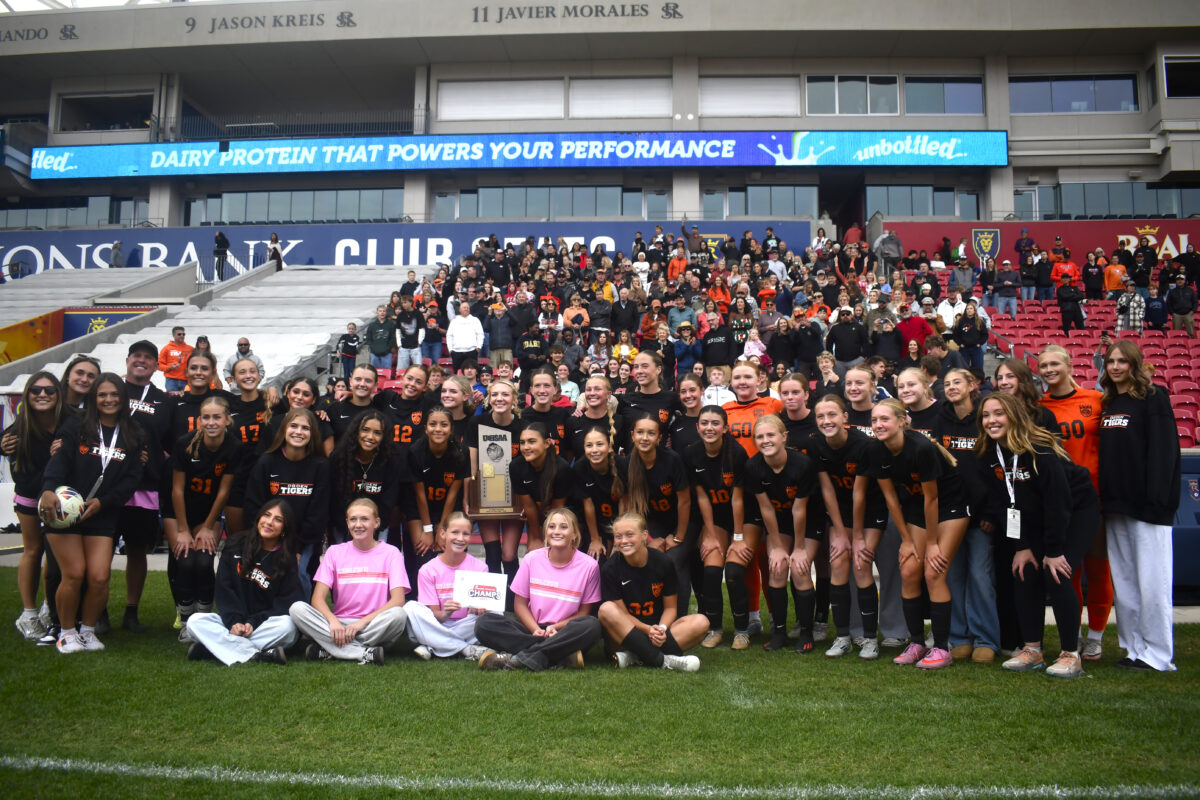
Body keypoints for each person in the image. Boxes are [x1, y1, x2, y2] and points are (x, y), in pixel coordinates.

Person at [976, 392, 1100, 679]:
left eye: (999, 413)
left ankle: (1071, 655)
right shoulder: (989, 454)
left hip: (1075, 510)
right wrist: (1021, 546)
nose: (991, 420)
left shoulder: (1040, 449)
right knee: (1024, 570)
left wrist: (1054, 551)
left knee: (1057, 573)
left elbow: (1058, 503)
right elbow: (1004, 504)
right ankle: (1032, 650)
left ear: (1014, 415)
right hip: (1033, 517)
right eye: (986, 415)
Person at [39, 374, 146, 653]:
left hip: (102, 512)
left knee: (99, 577)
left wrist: (103, 502)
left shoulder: (133, 433)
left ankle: (87, 631)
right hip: (65, 511)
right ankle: (66, 632)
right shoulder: (76, 426)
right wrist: (49, 489)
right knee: (74, 573)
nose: (109, 400)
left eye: (115, 395)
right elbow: (59, 461)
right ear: (93, 398)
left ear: (123, 398)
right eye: (102, 395)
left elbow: (131, 479)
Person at [1098, 340, 1181, 672]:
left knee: (1152, 582)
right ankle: (1133, 648)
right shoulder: (1110, 402)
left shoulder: (1153, 398)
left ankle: (1158, 653)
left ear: (1134, 364)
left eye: (1122, 361)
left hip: (1147, 507)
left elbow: (1164, 452)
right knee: (1126, 583)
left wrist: (1157, 499)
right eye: (1111, 361)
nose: (1116, 367)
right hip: (1116, 506)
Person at [869, 399, 968, 669]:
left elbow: (932, 498)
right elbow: (891, 498)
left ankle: (942, 648)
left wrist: (932, 543)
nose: (878, 425)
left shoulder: (921, 448)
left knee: (934, 573)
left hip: (949, 505)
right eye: (875, 420)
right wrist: (906, 540)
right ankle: (916, 643)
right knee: (909, 570)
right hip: (916, 508)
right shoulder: (876, 450)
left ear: (902, 421)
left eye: (885, 419)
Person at [1037, 344, 1109, 661]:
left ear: (1069, 365)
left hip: (1092, 497)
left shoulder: (1095, 400)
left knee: (1098, 568)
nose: (1049, 370)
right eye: (1043, 366)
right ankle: (1074, 632)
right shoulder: (1039, 407)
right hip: (1057, 500)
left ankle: (1096, 636)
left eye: (1055, 364)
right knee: (1069, 570)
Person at [809, 395, 887, 660]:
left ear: (845, 417)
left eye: (832, 415)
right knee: (839, 562)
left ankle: (870, 639)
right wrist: (841, 532)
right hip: (840, 512)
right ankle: (842, 637)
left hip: (870, 510)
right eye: (821, 416)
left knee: (861, 564)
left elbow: (860, 493)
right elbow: (827, 489)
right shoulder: (817, 443)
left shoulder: (863, 445)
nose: (826, 421)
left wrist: (857, 537)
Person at [476, 508, 603, 671]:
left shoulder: (589, 566)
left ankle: (520, 658)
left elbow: (583, 613)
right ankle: (559, 655)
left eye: (564, 527)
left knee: (592, 625)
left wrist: (556, 628)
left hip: (565, 632)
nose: (556, 531)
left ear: (574, 535)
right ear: (546, 532)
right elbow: (520, 604)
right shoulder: (531, 559)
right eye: (552, 527)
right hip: (533, 629)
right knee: (484, 623)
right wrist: (535, 629)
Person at [289, 499, 409, 665]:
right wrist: (333, 621)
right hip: (339, 625)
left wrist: (360, 624)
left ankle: (331, 649)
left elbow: (398, 600)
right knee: (297, 609)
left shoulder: (391, 553)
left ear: (376, 522)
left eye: (364, 519)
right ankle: (362, 652)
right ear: (347, 523)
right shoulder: (334, 552)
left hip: (373, 624)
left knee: (399, 615)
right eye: (353, 519)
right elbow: (317, 599)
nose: (358, 525)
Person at [184, 499, 305, 665]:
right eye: (266, 515)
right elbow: (224, 589)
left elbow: (284, 603)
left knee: (288, 627)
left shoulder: (287, 558)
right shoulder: (235, 544)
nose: (269, 522)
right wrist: (235, 622)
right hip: (232, 623)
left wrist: (252, 623)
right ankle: (259, 654)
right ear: (259, 518)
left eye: (278, 519)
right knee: (195, 621)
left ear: (285, 528)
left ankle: (214, 650)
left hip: (262, 625)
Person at [934, 369, 1000, 664]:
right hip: (950, 513)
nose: (951, 387)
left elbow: (996, 467)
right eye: (947, 383)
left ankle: (986, 638)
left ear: (972, 385)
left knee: (980, 576)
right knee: (953, 575)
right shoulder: (941, 419)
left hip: (981, 514)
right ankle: (959, 637)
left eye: (957, 382)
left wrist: (991, 511)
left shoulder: (985, 417)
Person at [744, 414, 819, 652]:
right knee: (777, 568)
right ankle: (779, 632)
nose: (765, 440)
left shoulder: (802, 464)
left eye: (771, 435)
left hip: (809, 520)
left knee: (799, 569)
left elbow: (800, 509)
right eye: (760, 437)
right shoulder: (753, 466)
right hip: (780, 521)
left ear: (784, 437)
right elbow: (766, 509)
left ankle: (806, 633)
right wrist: (776, 546)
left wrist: (799, 548)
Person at [169, 395, 239, 641]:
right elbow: (177, 490)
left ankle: (204, 621)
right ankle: (186, 621)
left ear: (227, 420)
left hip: (207, 512)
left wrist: (208, 526)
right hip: (178, 511)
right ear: (199, 419)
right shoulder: (185, 443)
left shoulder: (234, 446)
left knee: (204, 562)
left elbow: (223, 492)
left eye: (216, 417)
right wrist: (183, 529)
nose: (211, 422)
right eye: (206, 417)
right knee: (186, 561)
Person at [599, 512, 707, 671]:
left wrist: (661, 629)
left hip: (657, 632)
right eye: (618, 536)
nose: (624, 541)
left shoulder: (663, 562)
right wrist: (647, 630)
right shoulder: (610, 568)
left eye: (630, 535)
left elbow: (671, 608)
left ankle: (635, 656)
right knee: (606, 609)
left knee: (701, 622)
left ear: (644, 535)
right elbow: (623, 615)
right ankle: (664, 660)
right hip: (626, 633)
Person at [244, 407, 331, 592]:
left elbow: (318, 514)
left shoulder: (321, 466)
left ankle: (302, 611)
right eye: (294, 426)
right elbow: (253, 506)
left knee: (297, 573)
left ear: (313, 433)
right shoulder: (266, 462)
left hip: (303, 540)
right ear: (284, 429)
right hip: (268, 536)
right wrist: (269, 539)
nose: (298, 432)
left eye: (305, 428)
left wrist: (296, 548)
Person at [6, 372, 66, 641]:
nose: (43, 395)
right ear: (27, 395)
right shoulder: (17, 431)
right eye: (36, 390)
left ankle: (47, 606)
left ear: (58, 395)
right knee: (33, 550)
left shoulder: (67, 423)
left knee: (54, 555)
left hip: (59, 499)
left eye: (49, 390)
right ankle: (28, 613)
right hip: (30, 496)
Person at [686, 406, 751, 650]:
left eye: (715, 423)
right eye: (704, 423)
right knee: (711, 571)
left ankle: (742, 631)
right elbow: (702, 496)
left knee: (733, 572)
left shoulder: (737, 453)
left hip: (744, 518)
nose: (709, 428)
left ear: (725, 428)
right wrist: (710, 534)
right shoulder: (692, 453)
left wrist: (737, 537)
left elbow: (738, 498)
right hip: (715, 518)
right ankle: (715, 629)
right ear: (697, 427)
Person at [405, 513, 490, 660]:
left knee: (495, 613)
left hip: (466, 625)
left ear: (471, 537)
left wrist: (479, 609)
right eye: (455, 532)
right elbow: (435, 615)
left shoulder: (480, 567)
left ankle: (433, 645)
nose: (460, 538)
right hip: (437, 624)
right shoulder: (428, 570)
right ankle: (466, 649)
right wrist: (446, 613)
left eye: (466, 534)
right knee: (410, 607)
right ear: (443, 533)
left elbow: (479, 612)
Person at [467, 380, 524, 580]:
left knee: (508, 555)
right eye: (495, 394)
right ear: (489, 399)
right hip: (486, 496)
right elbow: (472, 466)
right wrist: (470, 499)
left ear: (514, 400)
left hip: (515, 497)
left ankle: (513, 597)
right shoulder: (477, 423)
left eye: (505, 394)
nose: (500, 398)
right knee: (492, 555)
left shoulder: (523, 426)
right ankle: (494, 599)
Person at [328, 409, 401, 546]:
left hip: (377, 526)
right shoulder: (339, 457)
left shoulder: (392, 460)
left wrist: (372, 528)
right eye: (365, 430)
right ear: (356, 431)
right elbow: (334, 502)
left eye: (377, 433)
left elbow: (388, 502)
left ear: (384, 436)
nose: (370, 436)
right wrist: (352, 528)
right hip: (343, 527)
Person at [574, 428, 627, 559]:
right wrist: (595, 539)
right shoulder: (580, 467)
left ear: (609, 447)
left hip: (619, 520)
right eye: (589, 445)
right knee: (598, 558)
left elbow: (624, 502)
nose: (594, 450)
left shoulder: (622, 464)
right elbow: (588, 505)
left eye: (600, 444)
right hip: (596, 523)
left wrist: (620, 536)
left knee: (621, 557)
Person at [158, 326, 192, 392]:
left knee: (186, 398)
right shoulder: (166, 349)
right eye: (179, 334)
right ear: (173, 335)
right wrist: (169, 367)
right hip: (171, 380)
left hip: (185, 380)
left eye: (183, 334)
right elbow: (158, 365)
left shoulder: (190, 349)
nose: (182, 336)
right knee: (172, 398)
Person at [364, 306, 396, 372]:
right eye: (380, 311)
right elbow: (368, 338)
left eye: (384, 311)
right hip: (374, 353)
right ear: (377, 312)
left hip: (387, 353)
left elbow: (393, 338)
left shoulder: (391, 324)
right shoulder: (372, 325)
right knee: (375, 373)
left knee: (386, 372)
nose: (382, 313)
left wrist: (388, 348)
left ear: (386, 313)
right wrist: (373, 348)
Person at [1167, 272, 1197, 337]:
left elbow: (1195, 302)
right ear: (1176, 281)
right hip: (1177, 315)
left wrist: (1193, 311)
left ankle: (1191, 342)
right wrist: (1172, 313)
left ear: (1184, 281)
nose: (1179, 281)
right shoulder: (1172, 291)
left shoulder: (1190, 290)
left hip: (1188, 314)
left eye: (1181, 279)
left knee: (1191, 333)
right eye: (1178, 280)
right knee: (1176, 334)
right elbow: (1168, 303)